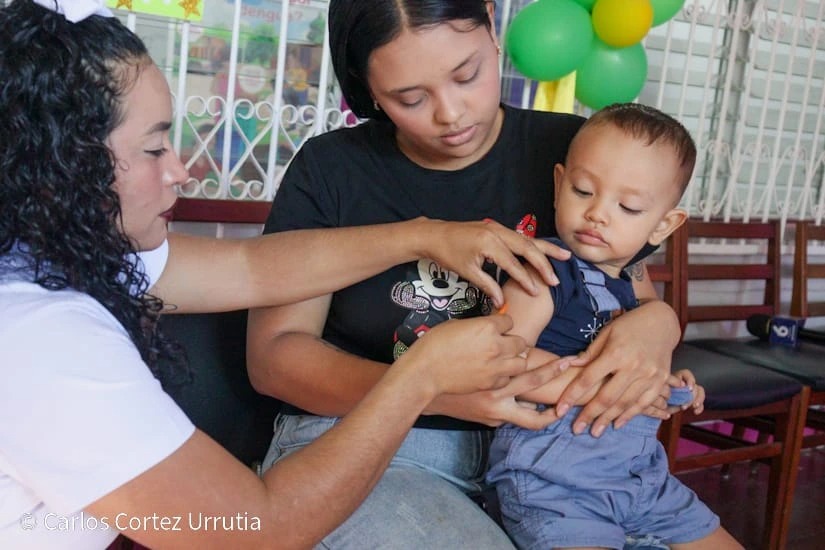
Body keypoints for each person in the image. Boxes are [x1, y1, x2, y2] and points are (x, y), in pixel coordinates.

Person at [0, 1, 572, 548]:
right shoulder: (40, 339)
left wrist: (425, 236)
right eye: (154, 149)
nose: (181, 171)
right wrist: (426, 378)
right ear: (60, 166)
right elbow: (256, 530)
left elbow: (251, 267)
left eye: (465, 75)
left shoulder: (57, 255)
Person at [247, 1, 684, 547]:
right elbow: (275, 359)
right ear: (367, 87)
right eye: (410, 98)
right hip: (372, 443)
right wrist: (434, 393)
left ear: (491, 25)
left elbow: (632, 296)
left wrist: (659, 324)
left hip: (556, 458)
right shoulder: (331, 169)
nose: (451, 114)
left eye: (467, 74)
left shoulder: (574, 151)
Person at [485, 103, 743, 549]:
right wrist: (605, 385)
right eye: (583, 191)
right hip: (555, 479)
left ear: (663, 225)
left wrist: (663, 384)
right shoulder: (546, 269)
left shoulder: (628, 288)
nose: (598, 213)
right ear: (558, 186)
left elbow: (636, 362)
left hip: (639, 474)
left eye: (628, 206)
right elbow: (498, 360)